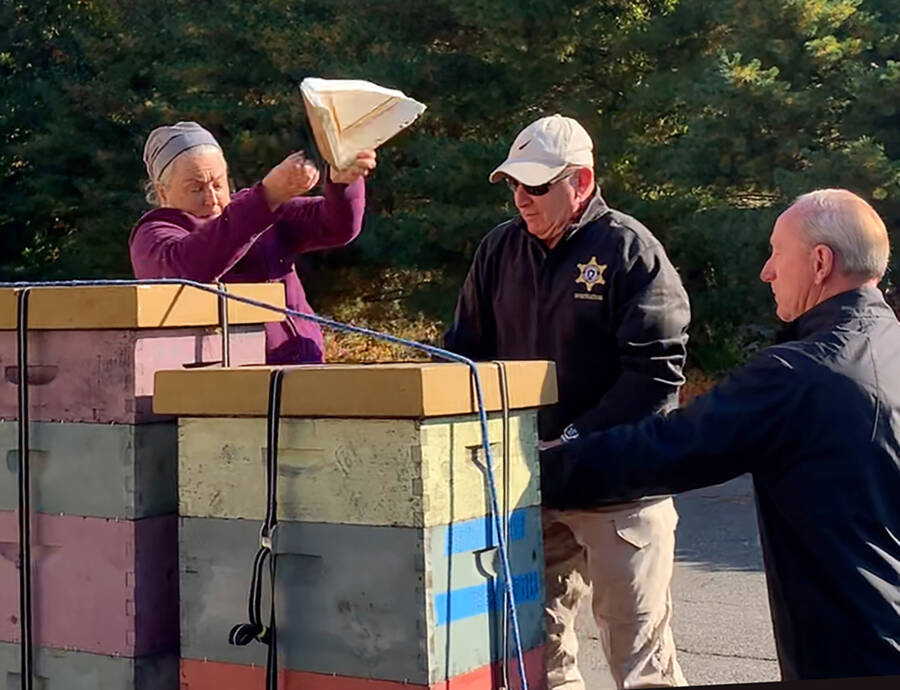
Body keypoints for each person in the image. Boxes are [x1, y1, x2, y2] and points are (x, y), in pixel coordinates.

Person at [541, 189, 900, 681]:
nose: (766, 272)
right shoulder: (888, 346)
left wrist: (534, 469)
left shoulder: (802, 376)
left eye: (775, 252)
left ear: (820, 262)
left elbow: (666, 448)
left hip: (853, 655)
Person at [444, 114, 690, 688]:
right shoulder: (498, 250)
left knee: (642, 665)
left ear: (580, 182)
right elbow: (463, 354)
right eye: (513, 185)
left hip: (622, 488)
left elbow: (656, 375)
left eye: (535, 186)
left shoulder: (631, 250)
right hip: (530, 486)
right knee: (537, 658)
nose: (520, 199)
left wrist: (575, 438)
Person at [130, 121, 376, 363]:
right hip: (234, 389)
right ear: (163, 192)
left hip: (306, 372)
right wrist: (267, 196)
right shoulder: (154, 234)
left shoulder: (255, 207)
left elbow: (337, 226)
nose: (212, 199)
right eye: (196, 188)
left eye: (218, 184)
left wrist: (343, 182)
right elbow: (185, 270)